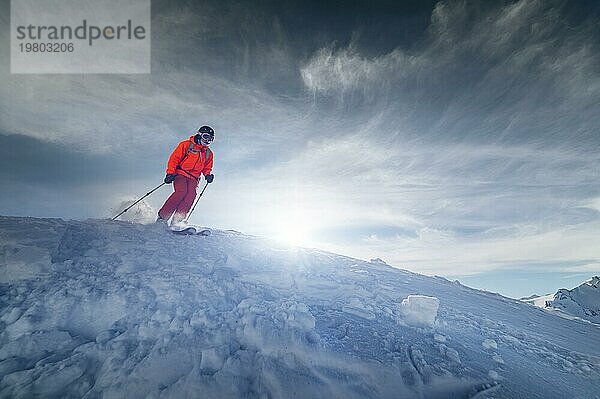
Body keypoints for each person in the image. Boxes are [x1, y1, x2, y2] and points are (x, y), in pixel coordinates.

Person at [157, 125, 215, 225]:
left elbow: (207, 167)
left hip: (194, 178)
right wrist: (170, 173)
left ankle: (177, 221)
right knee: (181, 192)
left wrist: (207, 175)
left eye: (210, 139)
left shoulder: (209, 153)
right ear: (200, 135)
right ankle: (163, 217)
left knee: (191, 196)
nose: (207, 140)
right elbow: (174, 159)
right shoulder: (186, 145)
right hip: (180, 174)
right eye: (206, 137)